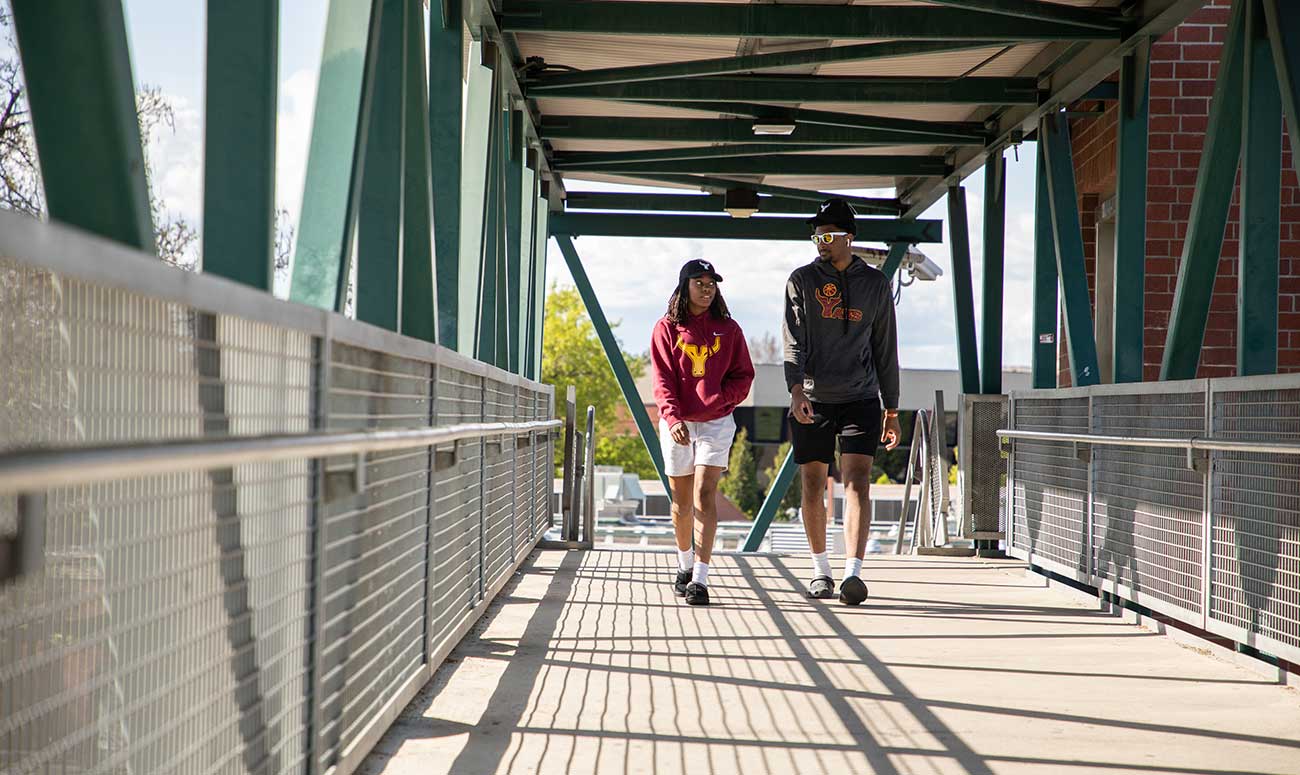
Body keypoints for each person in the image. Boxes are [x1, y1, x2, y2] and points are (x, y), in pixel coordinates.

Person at [782, 198, 902, 605]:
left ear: (850, 237)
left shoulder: (875, 284)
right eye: (817, 235)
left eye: (829, 235)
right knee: (814, 483)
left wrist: (892, 408)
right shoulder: (800, 280)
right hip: (813, 398)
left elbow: (886, 349)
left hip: (862, 397)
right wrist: (795, 389)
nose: (821, 242)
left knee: (858, 483)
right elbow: (793, 340)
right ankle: (820, 571)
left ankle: (853, 574)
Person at [650, 259, 755, 606]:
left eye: (712, 283)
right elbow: (662, 379)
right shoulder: (666, 329)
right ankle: (683, 565)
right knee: (680, 502)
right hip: (677, 422)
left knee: (704, 495)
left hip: (715, 422)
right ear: (684, 286)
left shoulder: (730, 329)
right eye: (700, 282)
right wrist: (673, 417)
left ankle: (700, 577)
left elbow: (744, 376)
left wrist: (721, 401)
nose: (707, 288)